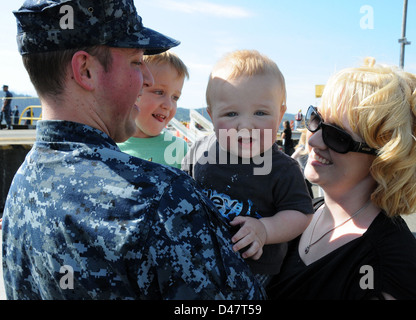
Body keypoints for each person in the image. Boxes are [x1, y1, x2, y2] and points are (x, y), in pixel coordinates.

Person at [2, 0, 265, 300]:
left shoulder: (21, 188)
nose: (148, 79)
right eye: (137, 62)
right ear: (86, 70)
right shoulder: (159, 199)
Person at [267, 58, 416, 299]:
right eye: (317, 120)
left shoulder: (391, 267)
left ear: (385, 158)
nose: (313, 141)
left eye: (336, 136)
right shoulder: (301, 215)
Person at [182, 50, 313, 286]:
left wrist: (265, 229)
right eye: (231, 114)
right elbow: (182, 188)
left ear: (281, 114)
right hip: (198, 257)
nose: (245, 125)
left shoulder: (283, 168)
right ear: (212, 116)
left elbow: (301, 214)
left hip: (252, 267)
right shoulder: (200, 151)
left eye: (260, 113)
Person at [118, 51, 188, 169]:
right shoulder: (108, 146)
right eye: (159, 92)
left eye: (175, 97)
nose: (168, 105)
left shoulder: (179, 149)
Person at [291, 129, 314, 199]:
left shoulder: (304, 148)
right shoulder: (302, 148)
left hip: (304, 177)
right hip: (302, 177)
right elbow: (292, 158)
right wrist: (297, 169)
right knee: (309, 197)